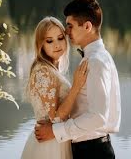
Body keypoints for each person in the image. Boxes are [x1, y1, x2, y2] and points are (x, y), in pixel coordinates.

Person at [35, 0, 121, 159]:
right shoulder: (98, 57)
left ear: (87, 26)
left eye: (70, 26)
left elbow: (98, 117)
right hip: (91, 148)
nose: (66, 32)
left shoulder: (95, 62)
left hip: (92, 151)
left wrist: (55, 131)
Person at [20, 16, 90, 159]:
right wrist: (76, 87)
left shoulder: (52, 69)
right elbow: (56, 118)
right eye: (49, 41)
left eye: (60, 38)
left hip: (59, 139)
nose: (57, 45)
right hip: (50, 145)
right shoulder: (43, 71)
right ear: (41, 44)